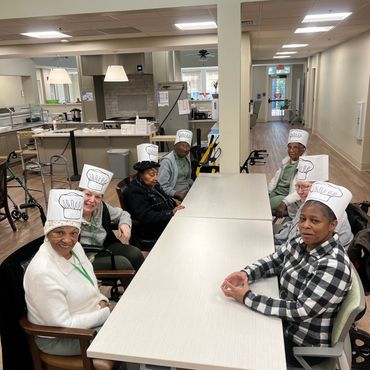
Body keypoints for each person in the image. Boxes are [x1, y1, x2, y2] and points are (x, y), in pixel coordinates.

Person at [221, 181, 352, 367]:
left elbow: (301, 310)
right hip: (284, 324)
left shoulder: (333, 265)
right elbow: (275, 260)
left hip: (300, 342)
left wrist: (247, 298)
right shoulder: (302, 241)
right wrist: (246, 273)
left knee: (235, 346)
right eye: (302, 219)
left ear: (332, 225)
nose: (305, 226)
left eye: (314, 221)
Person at [23, 189, 114, 355]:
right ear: (48, 232)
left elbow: (89, 280)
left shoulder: (76, 248)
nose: (67, 240)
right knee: (126, 336)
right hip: (63, 338)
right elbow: (62, 323)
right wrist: (104, 313)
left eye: (74, 233)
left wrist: (101, 299)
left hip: (88, 318)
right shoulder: (42, 272)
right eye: (59, 232)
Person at [275, 155, 353, 249]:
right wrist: (277, 240)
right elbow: (292, 226)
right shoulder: (309, 204)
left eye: (305, 187)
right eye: (298, 186)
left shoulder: (331, 214)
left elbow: (300, 250)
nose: (299, 192)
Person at [78, 164, 144, 271]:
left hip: (103, 246)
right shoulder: (69, 211)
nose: (92, 200)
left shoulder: (101, 207)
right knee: (122, 263)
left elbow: (123, 214)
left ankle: (144, 283)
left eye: (98, 197)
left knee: (135, 253)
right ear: (79, 193)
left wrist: (124, 224)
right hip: (82, 257)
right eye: (88, 194)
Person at [124, 143, 185, 242]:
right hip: (151, 230)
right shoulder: (134, 191)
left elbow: (165, 197)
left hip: (164, 221)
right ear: (140, 174)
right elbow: (146, 216)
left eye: (156, 174)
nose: (155, 178)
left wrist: (174, 203)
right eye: (151, 174)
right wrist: (171, 213)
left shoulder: (153, 184)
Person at [269, 129, 309, 218]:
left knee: (265, 206)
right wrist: (267, 191)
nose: (291, 150)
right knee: (260, 201)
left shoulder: (306, 167)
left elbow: (301, 192)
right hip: (276, 192)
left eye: (295, 147)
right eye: (289, 147)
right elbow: (275, 179)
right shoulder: (286, 162)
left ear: (302, 150)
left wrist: (284, 202)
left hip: (287, 196)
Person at [158, 129, 194, 201]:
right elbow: (161, 187)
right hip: (174, 197)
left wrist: (196, 185)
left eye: (188, 146)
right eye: (182, 145)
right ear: (175, 146)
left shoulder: (186, 157)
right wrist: (178, 194)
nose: (185, 149)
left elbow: (187, 179)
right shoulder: (166, 161)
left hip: (187, 192)